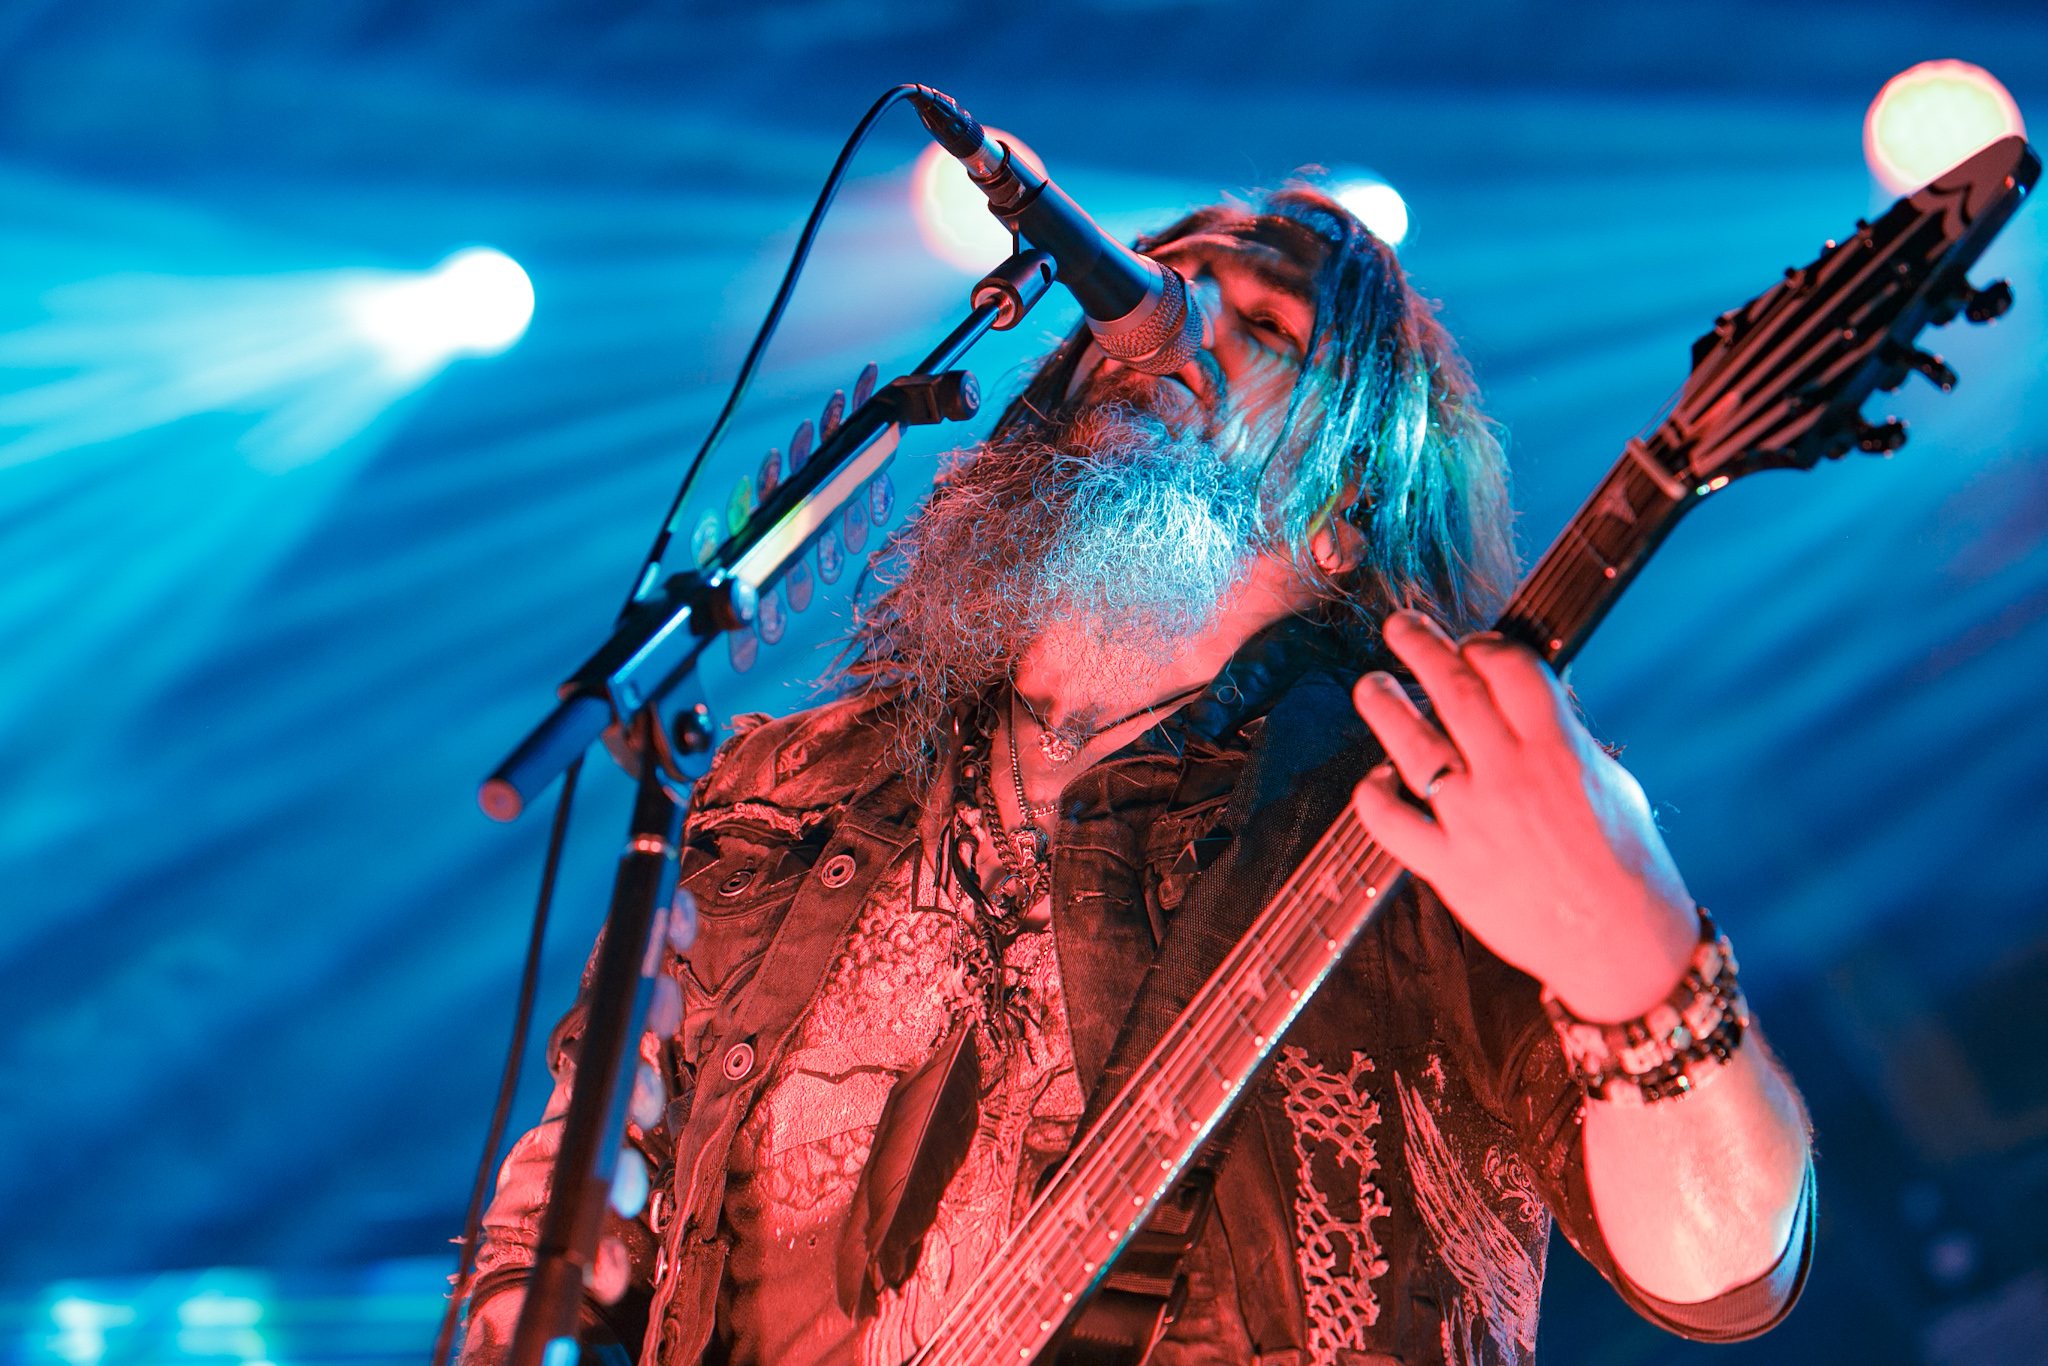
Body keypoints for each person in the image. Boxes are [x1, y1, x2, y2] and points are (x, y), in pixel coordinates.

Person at [460, 186, 1814, 1366]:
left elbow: (1722, 1262)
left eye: (1266, 324)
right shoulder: (783, 787)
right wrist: (528, 1294)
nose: (1173, 323)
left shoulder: (1428, 806)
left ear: (1346, 516)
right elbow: (569, 1202)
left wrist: (1637, 959)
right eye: (1164, 284)